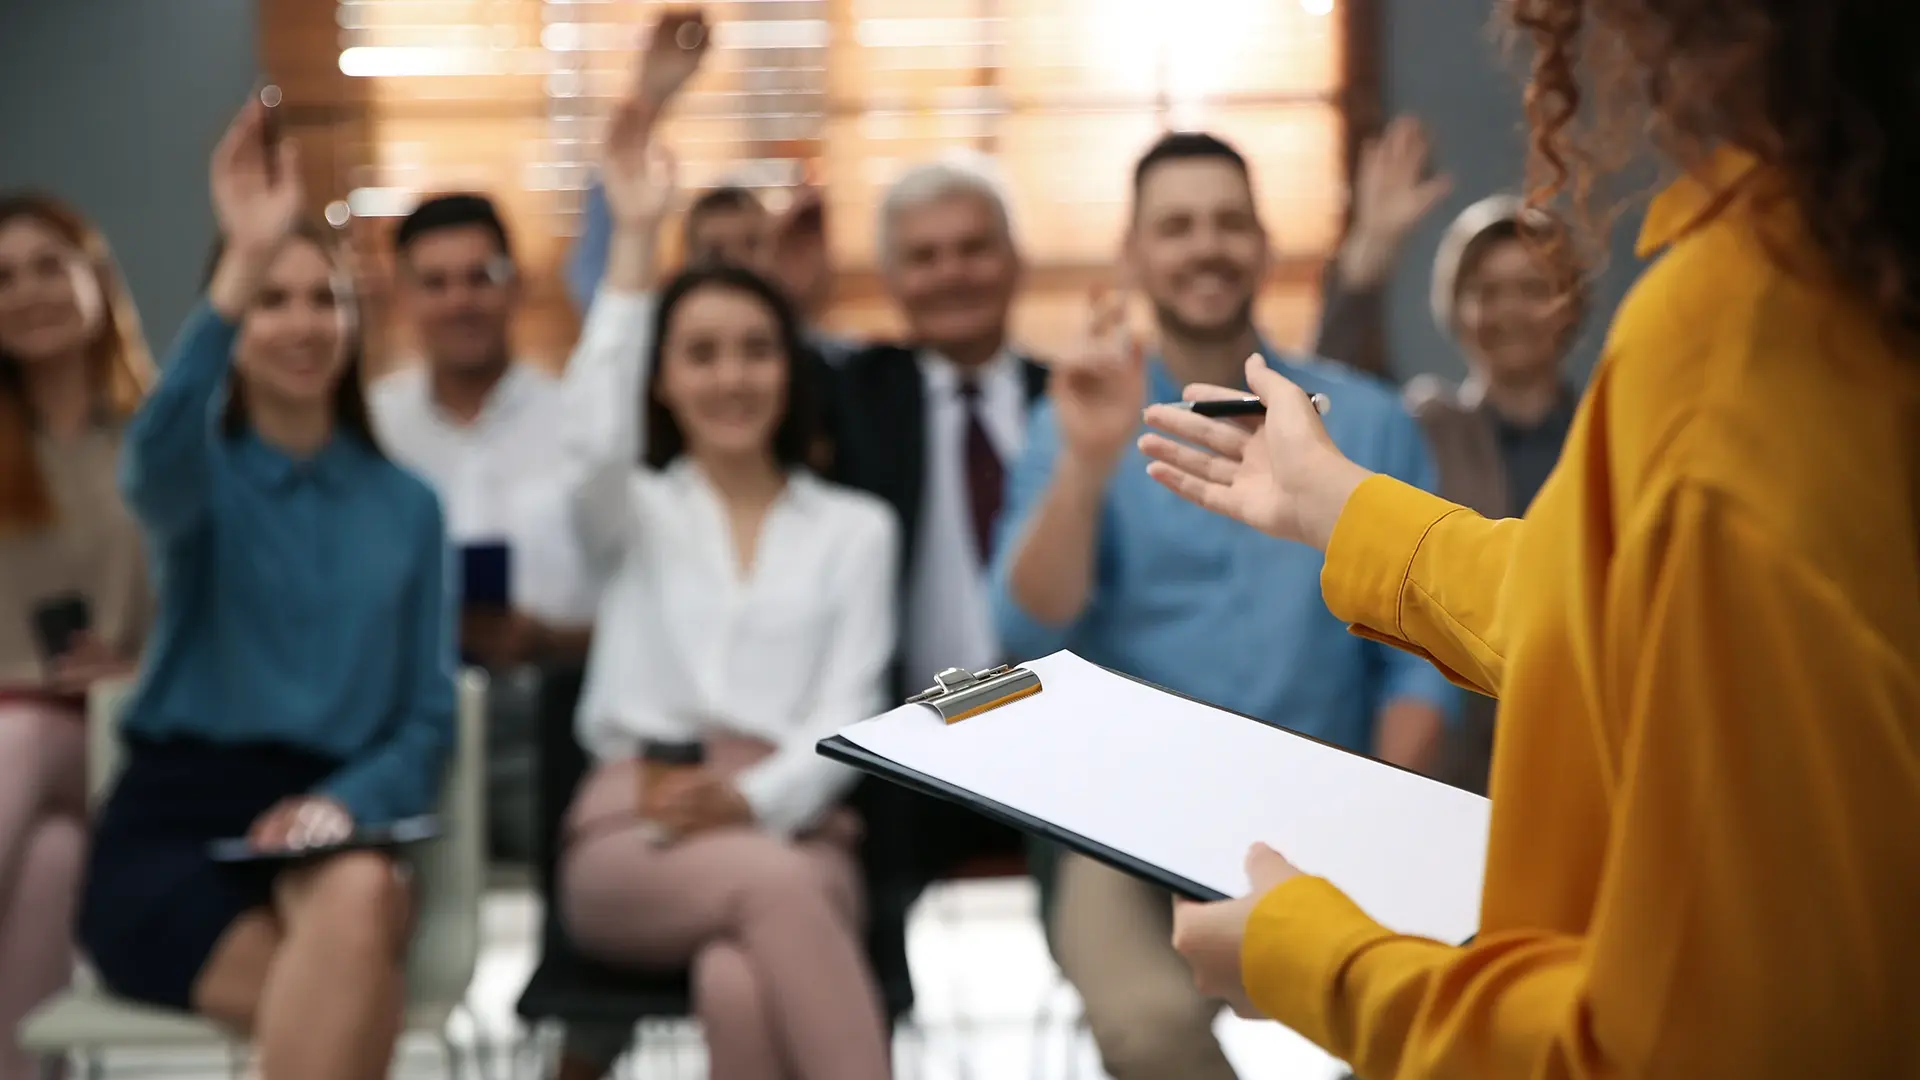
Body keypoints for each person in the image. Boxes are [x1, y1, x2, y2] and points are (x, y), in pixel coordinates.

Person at [1144, 1, 1920, 1074]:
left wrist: (1309, 956)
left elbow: (1668, 1049)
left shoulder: (1727, 360)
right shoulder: (1844, 279)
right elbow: (1595, 618)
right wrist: (1338, 504)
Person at [992, 130, 1457, 1080]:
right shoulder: (1076, 418)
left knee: (1425, 1024)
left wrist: (1379, 803)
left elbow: (1423, 658)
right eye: (1176, 226)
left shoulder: (1368, 422)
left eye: (1227, 222)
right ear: (1131, 253)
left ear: (1263, 242)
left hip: (1336, 800)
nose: (1205, 245)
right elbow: (1027, 628)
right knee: (1146, 1028)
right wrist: (1086, 463)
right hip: (1126, 823)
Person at [78, 99, 456, 1080]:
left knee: (360, 892)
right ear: (236, 326)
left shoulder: (409, 507)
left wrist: (342, 801)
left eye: (323, 299)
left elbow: (426, 714)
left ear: (354, 320)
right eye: (270, 301)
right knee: (346, 1004)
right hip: (176, 824)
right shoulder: (199, 479)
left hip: (328, 815)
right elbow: (148, 461)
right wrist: (240, 259)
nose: (301, 323)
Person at [552, 73, 897, 1080]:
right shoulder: (632, 512)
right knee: (773, 894)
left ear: (790, 368)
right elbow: (589, 441)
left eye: (755, 351)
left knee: (737, 982)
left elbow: (849, 717)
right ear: (661, 378)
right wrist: (632, 243)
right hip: (635, 828)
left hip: (799, 827)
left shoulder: (857, 530)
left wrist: (752, 802)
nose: (732, 377)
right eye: (700, 354)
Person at [1314, 117, 1585, 795]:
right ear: (1454, 307)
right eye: (1485, 290)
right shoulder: (1428, 426)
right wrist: (1367, 259)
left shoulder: (1605, 434)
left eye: (1532, 287)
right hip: (1457, 772)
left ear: (1569, 304)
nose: (1508, 310)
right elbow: (1338, 408)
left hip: (1592, 749)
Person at [370, 192, 595, 861]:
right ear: (403, 297)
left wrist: (545, 639)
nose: (460, 301)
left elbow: (643, 607)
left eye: (480, 277)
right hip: (401, 725)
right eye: (435, 283)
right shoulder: (372, 431)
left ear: (515, 284)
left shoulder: (580, 425)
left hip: (554, 717)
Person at [0, 192, 154, 1080]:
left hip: (115, 730)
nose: (28, 292)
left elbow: (218, 623)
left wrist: (136, 668)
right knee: (49, 860)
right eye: (4, 277)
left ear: (95, 278)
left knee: (22, 732)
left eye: (48, 266)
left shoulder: (159, 442)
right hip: (19, 767)